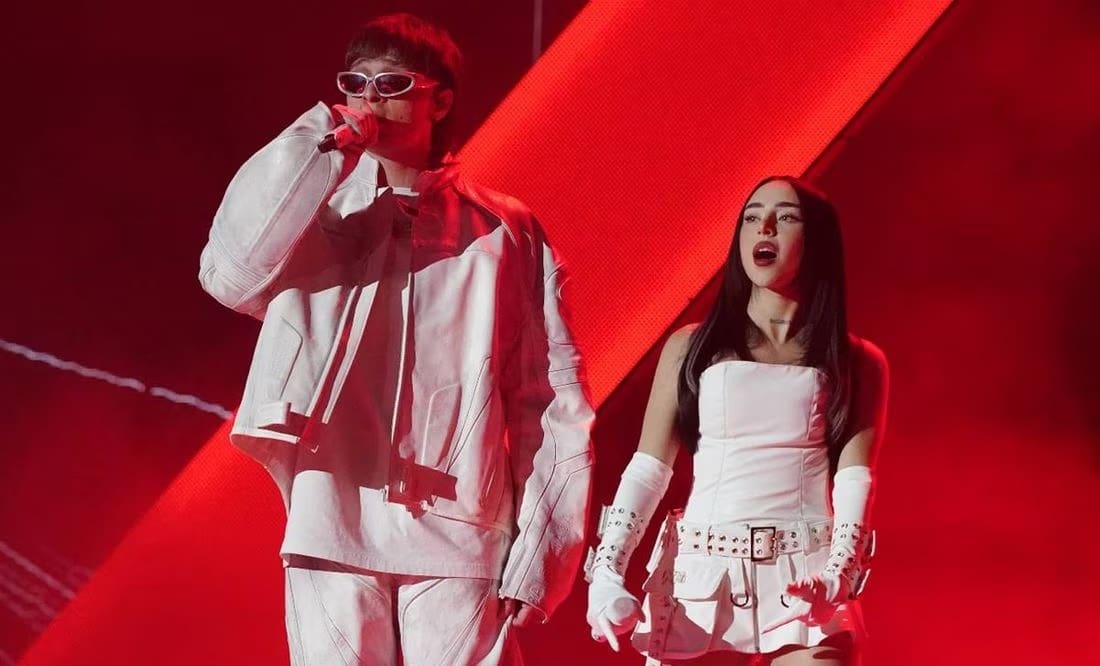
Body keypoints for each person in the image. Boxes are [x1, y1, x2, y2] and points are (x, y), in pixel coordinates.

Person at [199, 13, 594, 665]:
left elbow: (550, 400)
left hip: (462, 529)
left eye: (392, 83)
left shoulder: (506, 231)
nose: (369, 98)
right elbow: (228, 275)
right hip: (333, 513)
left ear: (440, 100)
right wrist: (319, 145)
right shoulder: (315, 211)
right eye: (354, 83)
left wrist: (542, 552)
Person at [585, 176, 889, 665]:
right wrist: (606, 573)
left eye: (785, 217)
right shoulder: (691, 346)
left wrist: (838, 576)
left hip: (806, 575)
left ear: (816, 240)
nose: (764, 227)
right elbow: (648, 469)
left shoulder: (857, 361)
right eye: (751, 217)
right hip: (704, 578)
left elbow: (856, 480)